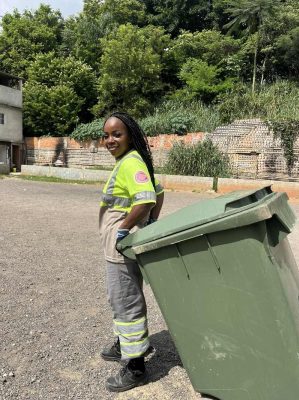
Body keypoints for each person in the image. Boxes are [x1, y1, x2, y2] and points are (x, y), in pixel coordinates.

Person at [98, 111, 164, 392]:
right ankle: (123, 343)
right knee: (121, 297)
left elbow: (147, 198)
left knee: (125, 301)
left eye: (117, 134)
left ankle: (136, 366)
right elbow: (158, 191)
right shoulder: (132, 161)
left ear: (130, 136)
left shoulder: (130, 163)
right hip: (119, 244)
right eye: (106, 135)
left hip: (120, 246)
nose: (110, 140)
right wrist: (150, 221)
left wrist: (125, 228)